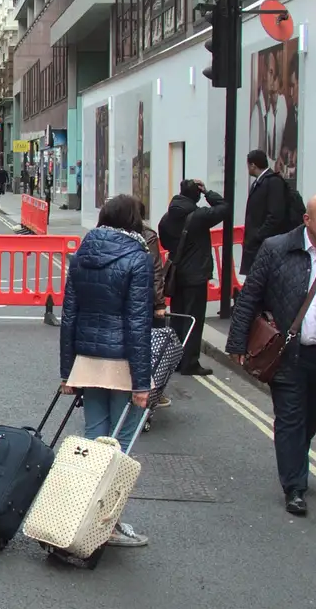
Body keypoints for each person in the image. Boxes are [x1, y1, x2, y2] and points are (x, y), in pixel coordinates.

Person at [226, 195, 316, 517]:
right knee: (290, 418)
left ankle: (295, 461)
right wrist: (236, 343)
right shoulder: (277, 250)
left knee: (309, 417)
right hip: (289, 355)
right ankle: (295, 487)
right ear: (307, 220)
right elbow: (249, 297)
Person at [58, 194, 154, 548]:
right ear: (133, 220)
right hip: (123, 365)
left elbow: (69, 315)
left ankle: (80, 517)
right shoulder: (137, 257)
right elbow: (138, 323)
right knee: (119, 450)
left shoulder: (84, 252)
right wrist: (142, 383)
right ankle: (106, 524)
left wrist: (67, 372)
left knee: (93, 442)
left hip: (88, 361)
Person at [157, 180, 229, 376]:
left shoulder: (166, 218)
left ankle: (177, 359)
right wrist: (208, 192)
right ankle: (190, 362)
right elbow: (224, 207)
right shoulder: (199, 216)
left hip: (176, 274)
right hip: (196, 276)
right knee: (194, 319)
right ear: (196, 195)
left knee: (178, 318)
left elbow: (165, 242)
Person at [242, 150, 293, 273]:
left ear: (253, 165)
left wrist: (258, 236)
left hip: (264, 244)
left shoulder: (273, 181)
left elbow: (276, 215)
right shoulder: (260, 182)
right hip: (256, 244)